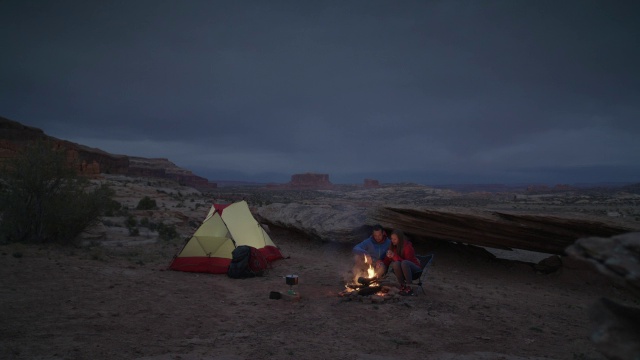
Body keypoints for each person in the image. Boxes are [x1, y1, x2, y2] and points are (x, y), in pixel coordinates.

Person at [383, 229, 421, 296]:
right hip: (403, 270)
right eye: (392, 239)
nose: (392, 241)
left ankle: (409, 287)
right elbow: (387, 261)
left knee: (404, 263)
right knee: (396, 264)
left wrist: (394, 256)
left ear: (400, 239)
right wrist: (382, 266)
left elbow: (407, 261)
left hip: (414, 270)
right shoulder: (393, 246)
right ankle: (403, 285)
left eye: (395, 239)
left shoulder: (407, 247)